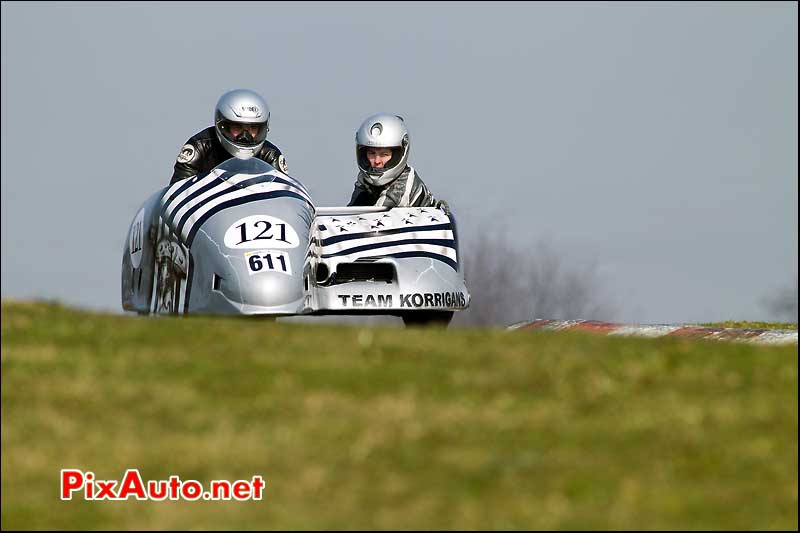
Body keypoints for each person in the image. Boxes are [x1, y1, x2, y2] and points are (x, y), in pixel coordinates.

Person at [169, 89, 288, 184]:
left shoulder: (270, 155)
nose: (244, 136)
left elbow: (283, 194)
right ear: (222, 125)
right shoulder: (200, 147)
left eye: (253, 128)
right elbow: (178, 192)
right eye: (237, 127)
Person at [348, 113, 448, 213]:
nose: (377, 161)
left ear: (399, 154)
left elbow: (374, 218)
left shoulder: (403, 184)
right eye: (371, 153)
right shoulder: (365, 177)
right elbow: (351, 213)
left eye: (384, 154)